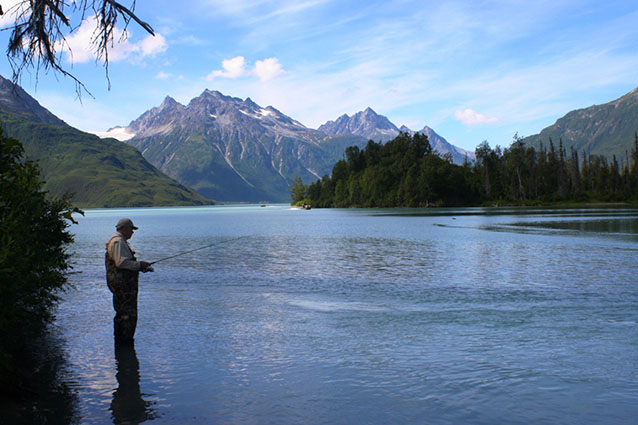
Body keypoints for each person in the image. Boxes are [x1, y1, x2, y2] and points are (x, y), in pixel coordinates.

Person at [105, 218, 152, 344]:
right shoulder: (118, 242)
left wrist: (140, 267)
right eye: (131, 229)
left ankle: (122, 350)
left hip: (123, 286)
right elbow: (121, 263)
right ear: (124, 228)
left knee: (123, 314)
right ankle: (124, 345)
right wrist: (139, 265)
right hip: (122, 286)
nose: (132, 232)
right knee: (126, 316)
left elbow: (123, 263)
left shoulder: (119, 241)